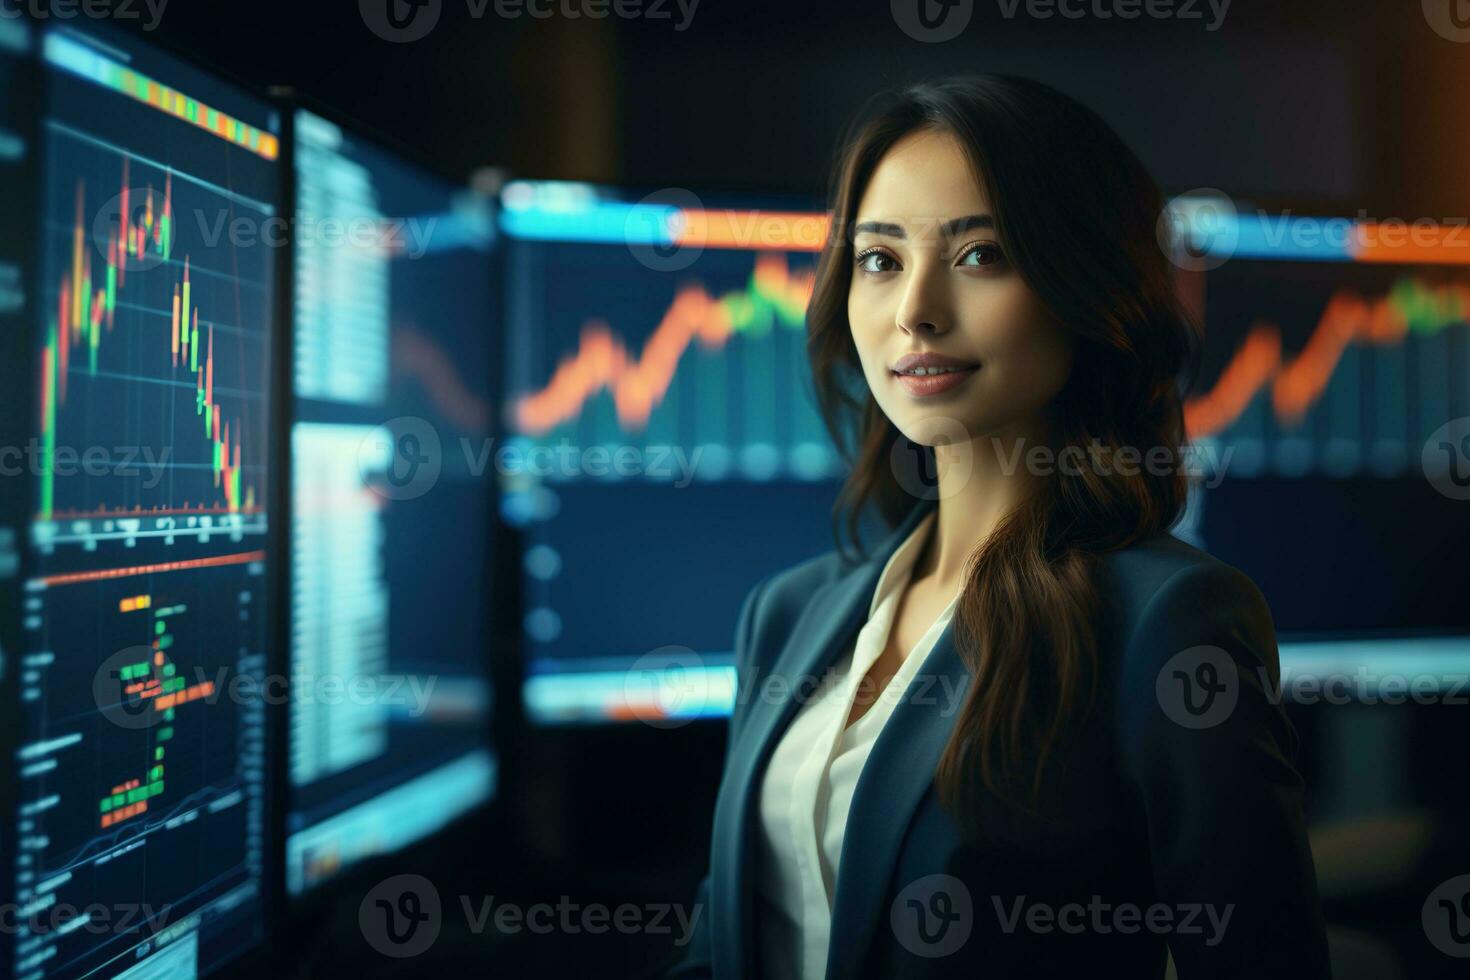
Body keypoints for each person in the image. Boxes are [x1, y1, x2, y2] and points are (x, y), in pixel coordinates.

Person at [664, 74, 1330, 980]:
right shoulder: (784, 617)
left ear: (1084, 288)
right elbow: (718, 947)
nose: (915, 312)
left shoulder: (1168, 622)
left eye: (979, 256)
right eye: (880, 259)